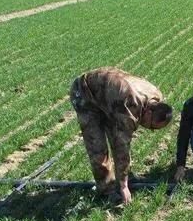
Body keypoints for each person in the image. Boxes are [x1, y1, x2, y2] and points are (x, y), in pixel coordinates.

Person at [69, 67, 172, 204]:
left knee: (115, 132)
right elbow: (121, 146)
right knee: (97, 147)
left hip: (111, 97)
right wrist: (123, 186)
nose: (149, 129)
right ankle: (107, 190)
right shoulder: (130, 106)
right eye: (152, 126)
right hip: (84, 93)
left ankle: (122, 177)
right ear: (149, 113)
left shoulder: (156, 96)